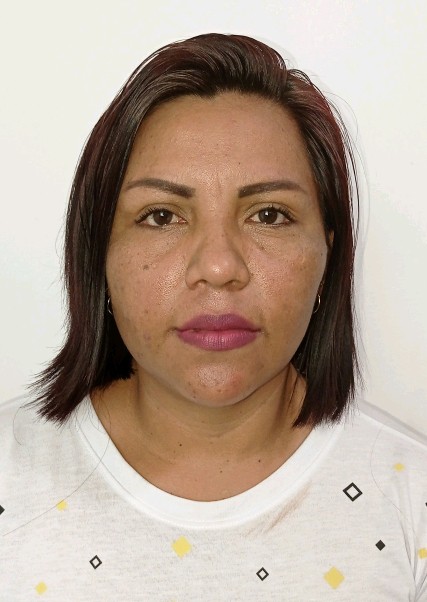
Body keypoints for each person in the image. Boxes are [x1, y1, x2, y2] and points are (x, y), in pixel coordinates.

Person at [1, 33, 426, 600]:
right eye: (162, 216)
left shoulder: (411, 501)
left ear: (328, 255)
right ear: (99, 252)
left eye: (269, 215)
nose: (220, 267)